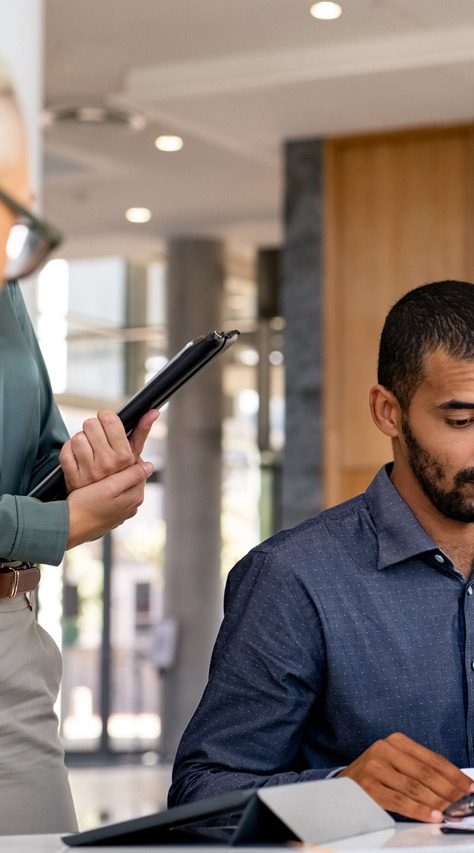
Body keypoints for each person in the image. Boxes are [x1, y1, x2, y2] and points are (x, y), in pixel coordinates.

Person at [170, 281, 474, 822]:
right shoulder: (292, 579)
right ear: (388, 413)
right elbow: (199, 796)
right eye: (463, 420)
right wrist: (338, 793)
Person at [0, 60, 158, 834]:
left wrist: (79, 474)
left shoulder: (4, 293)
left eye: (15, 212)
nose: (7, 251)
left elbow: (35, 454)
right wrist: (56, 527)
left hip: (9, 649)